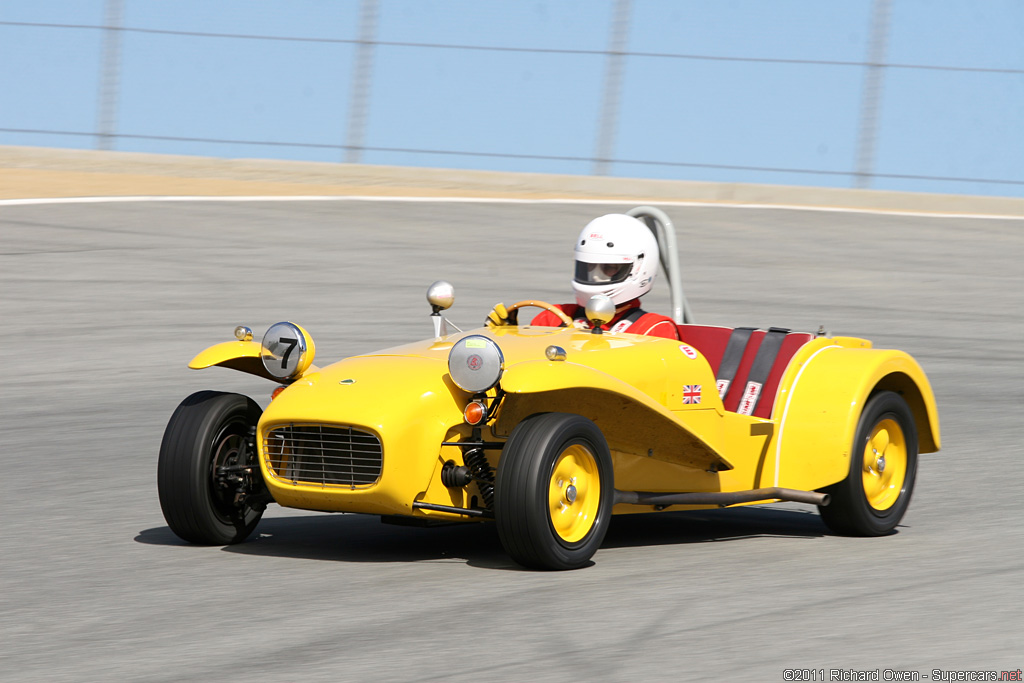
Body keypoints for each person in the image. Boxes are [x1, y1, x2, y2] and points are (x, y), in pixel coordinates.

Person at [488, 213, 680, 340]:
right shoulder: (551, 318)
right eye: (588, 268)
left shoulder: (653, 329)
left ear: (639, 268)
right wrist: (506, 337)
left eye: (609, 268)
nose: (595, 277)